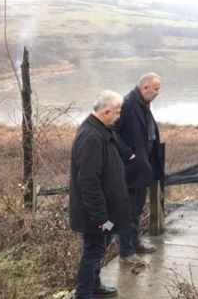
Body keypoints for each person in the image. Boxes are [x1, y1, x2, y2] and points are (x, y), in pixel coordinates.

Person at [69, 90, 130, 299]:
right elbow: (88, 182)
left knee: (99, 248)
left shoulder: (101, 130)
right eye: (117, 112)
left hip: (107, 212)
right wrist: (101, 218)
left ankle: (94, 286)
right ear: (106, 112)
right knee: (93, 251)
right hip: (98, 215)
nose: (119, 116)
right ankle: (83, 293)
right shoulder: (91, 137)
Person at [114, 72, 165, 265]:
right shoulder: (126, 104)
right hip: (130, 169)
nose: (158, 93)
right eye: (156, 89)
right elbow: (113, 133)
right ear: (145, 88)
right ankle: (126, 252)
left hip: (142, 167)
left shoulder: (143, 104)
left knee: (137, 208)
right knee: (127, 210)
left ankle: (135, 242)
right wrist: (128, 153)